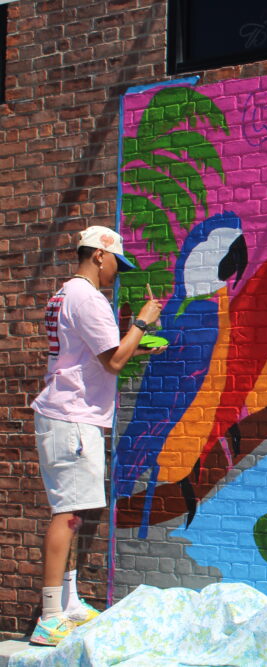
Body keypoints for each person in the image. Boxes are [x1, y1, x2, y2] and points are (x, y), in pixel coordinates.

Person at [29, 226, 166, 646]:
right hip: (73, 417)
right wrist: (143, 321)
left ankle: (67, 603)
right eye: (117, 265)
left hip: (70, 415)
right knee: (68, 514)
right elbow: (113, 362)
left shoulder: (66, 294)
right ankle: (49, 616)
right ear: (99, 256)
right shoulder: (87, 298)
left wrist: (136, 346)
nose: (117, 274)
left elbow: (97, 355)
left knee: (75, 512)